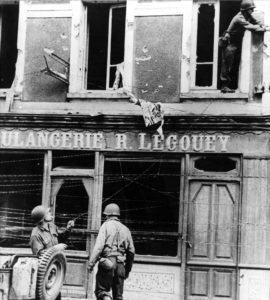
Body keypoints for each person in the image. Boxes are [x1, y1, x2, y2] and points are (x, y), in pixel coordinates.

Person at [88, 203, 135, 300]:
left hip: (107, 263)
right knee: (118, 296)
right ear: (117, 215)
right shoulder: (126, 229)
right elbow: (131, 252)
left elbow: (98, 247)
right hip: (121, 266)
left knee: (102, 292)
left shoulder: (105, 226)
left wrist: (91, 264)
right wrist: (127, 270)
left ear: (107, 215)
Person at [220, 0, 268, 93]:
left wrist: (262, 25)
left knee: (234, 64)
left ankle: (230, 86)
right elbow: (249, 26)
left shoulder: (246, 14)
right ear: (246, 9)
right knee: (227, 65)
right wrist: (263, 29)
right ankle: (224, 86)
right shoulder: (239, 18)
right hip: (230, 43)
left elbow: (255, 21)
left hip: (236, 43)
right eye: (251, 9)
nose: (252, 11)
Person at [30, 205, 75, 300]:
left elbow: (61, 238)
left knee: (56, 296)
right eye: (48, 213)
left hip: (55, 270)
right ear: (42, 218)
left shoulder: (52, 226)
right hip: (43, 275)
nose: (51, 213)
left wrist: (68, 229)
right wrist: (55, 248)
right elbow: (38, 255)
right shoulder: (35, 235)